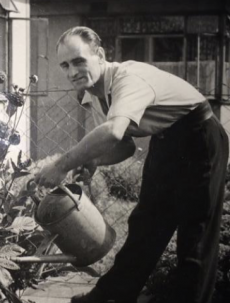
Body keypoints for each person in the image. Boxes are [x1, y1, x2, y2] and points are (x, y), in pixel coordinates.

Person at [34, 26, 229, 303]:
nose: (72, 72)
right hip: (167, 139)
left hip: (200, 137)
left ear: (99, 55)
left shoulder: (128, 79)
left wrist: (61, 165)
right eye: (65, 65)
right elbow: (124, 145)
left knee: (195, 232)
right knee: (146, 223)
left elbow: (113, 131)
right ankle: (112, 295)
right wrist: (93, 160)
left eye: (79, 61)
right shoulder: (91, 93)